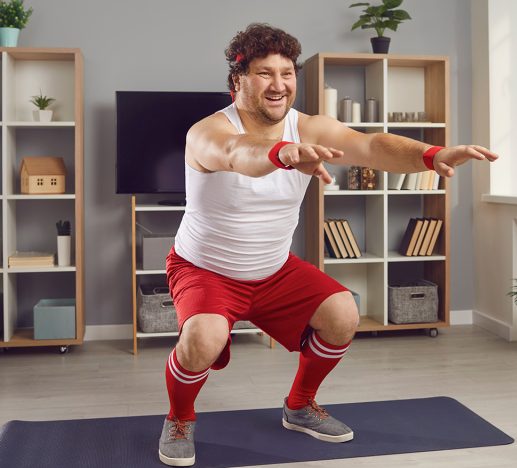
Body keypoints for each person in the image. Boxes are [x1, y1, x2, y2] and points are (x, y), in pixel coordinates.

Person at [158, 23, 498, 467]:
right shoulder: (207, 132)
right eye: (264, 73)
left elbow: (372, 145)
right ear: (237, 80)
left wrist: (432, 156)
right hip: (205, 269)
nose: (279, 85)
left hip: (273, 269)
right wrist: (282, 154)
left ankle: (299, 406)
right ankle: (179, 418)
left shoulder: (310, 126)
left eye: (287, 73)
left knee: (343, 312)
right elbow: (238, 153)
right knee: (203, 337)